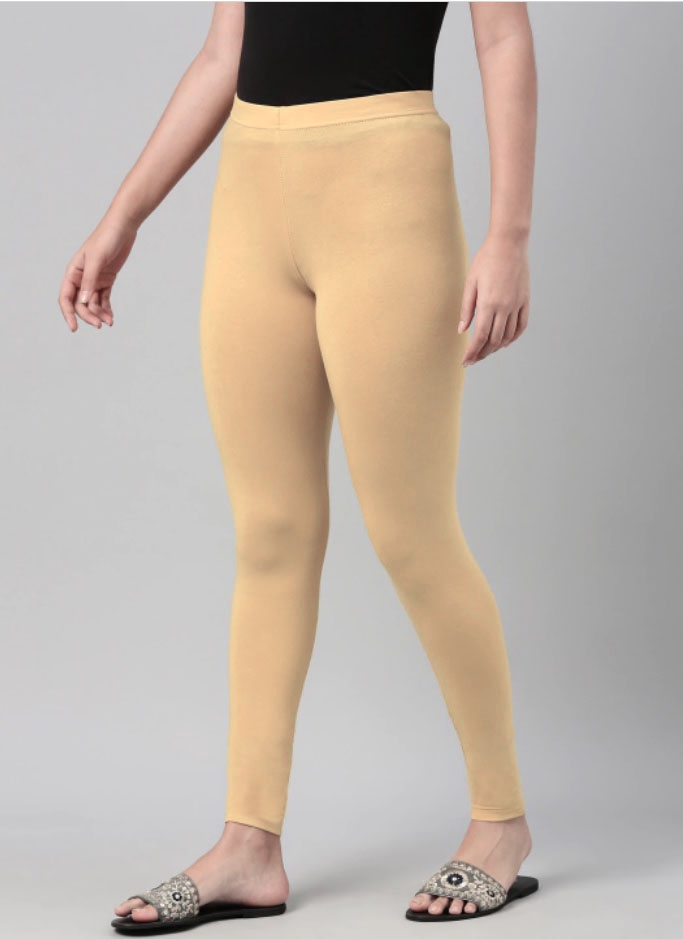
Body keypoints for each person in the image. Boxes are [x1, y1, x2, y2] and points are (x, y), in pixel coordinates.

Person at [59, 1, 539, 929]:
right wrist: (123, 216)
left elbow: (501, 34)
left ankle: (500, 821)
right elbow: (222, 53)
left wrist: (508, 235)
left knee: (410, 532)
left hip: (386, 187)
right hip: (252, 190)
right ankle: (248, 844)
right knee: (269, 531)